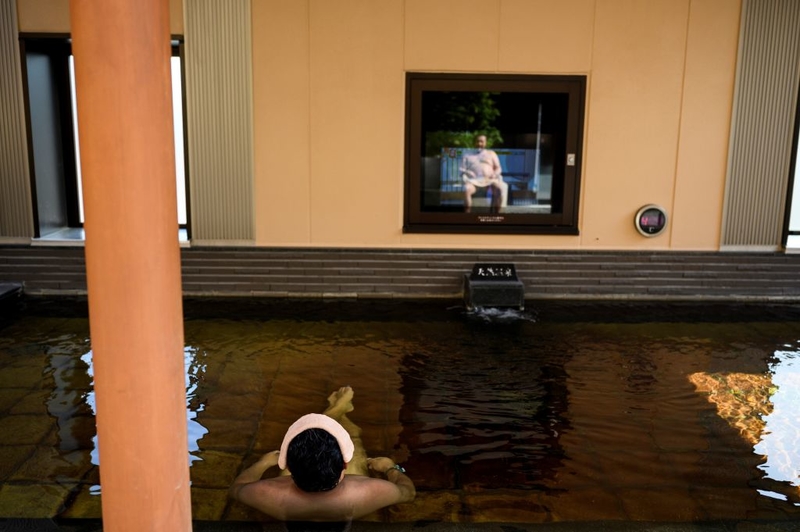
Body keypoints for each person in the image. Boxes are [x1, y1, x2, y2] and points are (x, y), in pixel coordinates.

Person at [229, 386, 415, 524]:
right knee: (354, 444)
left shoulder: (265, 493)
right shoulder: (372, 490)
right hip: (352, 502)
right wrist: (390, 468)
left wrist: (262, 463)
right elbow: (408, 492)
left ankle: (337, 410)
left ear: (287, 466)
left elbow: (236, 488)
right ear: (344, 465)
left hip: (288, 502)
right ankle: (339, 411)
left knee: (314, 444)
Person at [460, 134, 508, 213]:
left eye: (482, 141)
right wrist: (468, 172)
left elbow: (498, 168)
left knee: (499, 189)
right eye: (477, 141)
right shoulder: (467, 155)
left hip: (489, 180)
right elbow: (462, 169)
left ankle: (497, 215)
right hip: (473, 181)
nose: (479, 143)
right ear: (474, 142)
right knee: (466, 189)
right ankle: (466, 216)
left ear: (485, 143)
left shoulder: (491, 153)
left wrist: (495, 174)